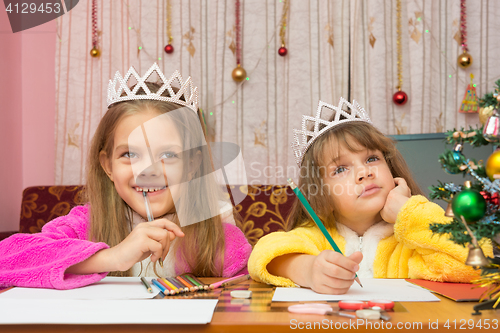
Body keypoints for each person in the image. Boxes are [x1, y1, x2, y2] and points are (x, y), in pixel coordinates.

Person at [0, 64, 251, 290]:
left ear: (192, 165)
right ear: (107, 166)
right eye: (130, 154)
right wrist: (113, 257)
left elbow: (247, 299)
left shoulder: (217, 238)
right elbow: (7, 259)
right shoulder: (86, 224)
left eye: (167, 154)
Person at [248, 98, 492, 294]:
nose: (364, 172)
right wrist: (307, 269)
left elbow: (479, 259)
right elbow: (263, 255)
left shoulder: (414, 242)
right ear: (321, 193)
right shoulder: (314, 239)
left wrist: (408, 212)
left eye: (371, 158)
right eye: (340, 169)